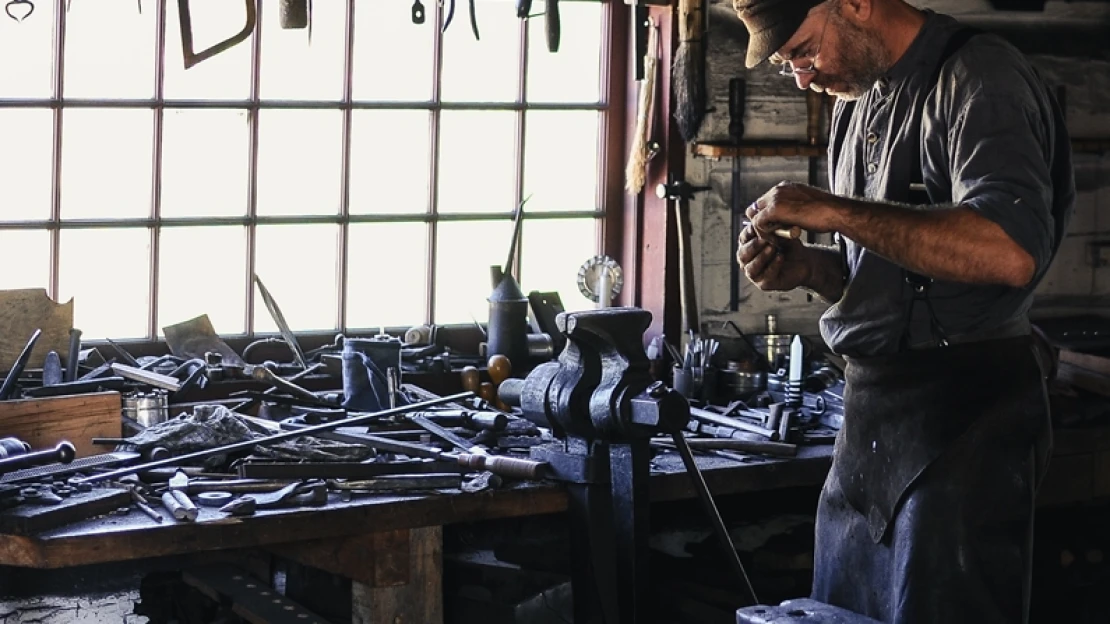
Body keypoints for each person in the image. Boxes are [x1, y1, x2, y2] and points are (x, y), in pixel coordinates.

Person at [731, 0, 1075, 622]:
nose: (804, 77)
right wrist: (810, 268)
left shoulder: (978, 78)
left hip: (964, 418)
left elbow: (1009, 250)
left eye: (805, 50)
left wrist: (831, 209)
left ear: (856, 4)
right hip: (868, 423)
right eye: (790, 67)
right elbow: (885, 274)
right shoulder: (857, 100)